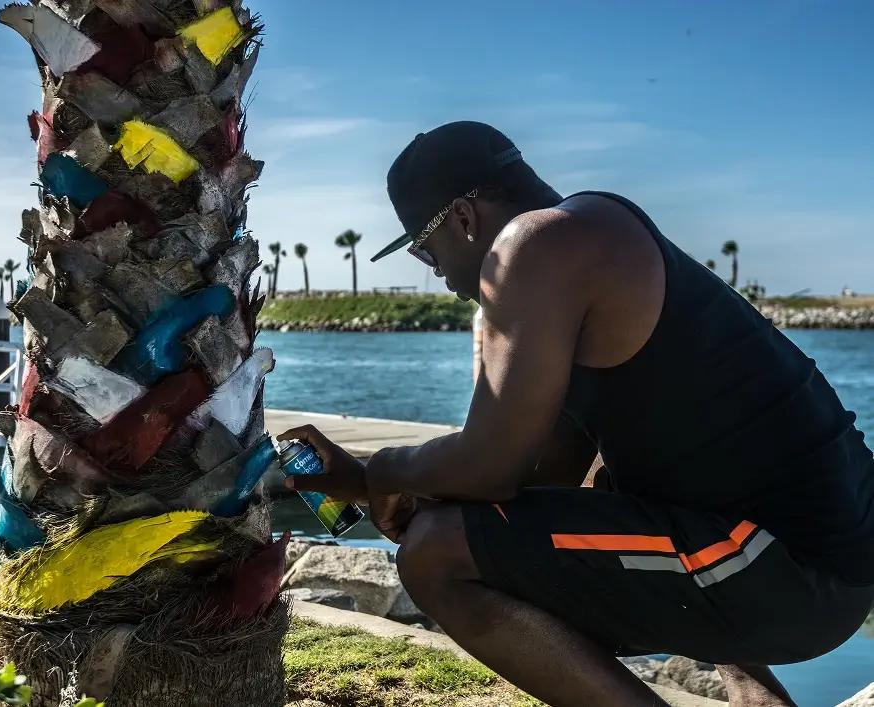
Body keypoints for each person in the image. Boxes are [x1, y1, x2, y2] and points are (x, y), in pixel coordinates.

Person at [278, 121, 874, 707]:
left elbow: (488, 467)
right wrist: (389, 485)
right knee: (584, 491)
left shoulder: (534, 245)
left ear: (463, 218)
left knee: (436, 553)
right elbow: (539, 479)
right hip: (822, 555)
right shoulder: (586, 236)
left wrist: (380, 472)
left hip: (797, 567)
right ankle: (756, 694)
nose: (435, 272)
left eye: (424, 250)